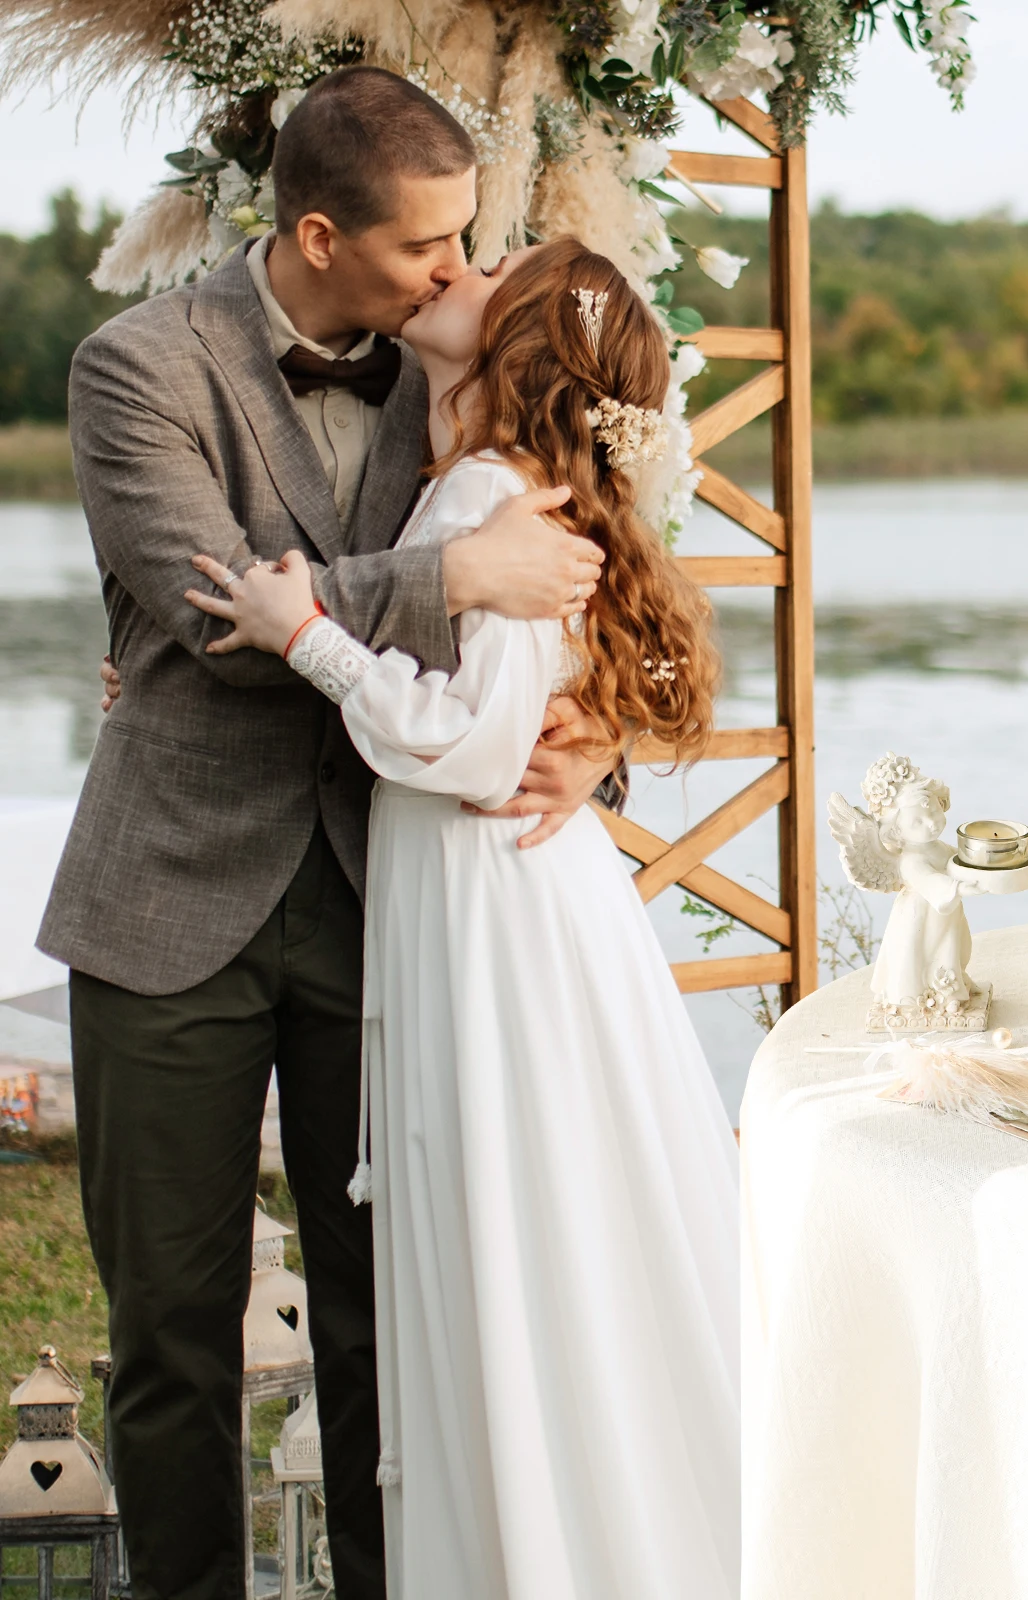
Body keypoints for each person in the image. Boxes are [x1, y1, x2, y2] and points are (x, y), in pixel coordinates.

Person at [40, 67, 621, 1600]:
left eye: (466, 242)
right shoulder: (134, 366)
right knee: (171, 1326)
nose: (459, 271)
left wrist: (592, 744)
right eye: (431, 245)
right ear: (314, 234)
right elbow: (209, 601)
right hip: (168, 903)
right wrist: (456, 580)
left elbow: (585, 594)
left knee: (389, 1313)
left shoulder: (465, 370)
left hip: (401, 909)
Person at [185, 237, 739, 1599]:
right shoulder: (476, 480)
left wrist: (302, 630)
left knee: (519, 1224)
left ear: (521, 347)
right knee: (527, 1228)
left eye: (492, 268)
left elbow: (476, 750)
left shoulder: (490, 488)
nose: (463, 267)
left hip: (498, 909)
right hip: (482, 897)